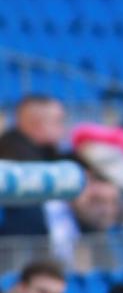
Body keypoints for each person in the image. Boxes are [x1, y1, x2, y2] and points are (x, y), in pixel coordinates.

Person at [0, 95, 67, 237]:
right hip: (19, 244)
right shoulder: (13, 151)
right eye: (58, 122)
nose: (63, 129)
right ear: (37, 124)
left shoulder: (45, 151)